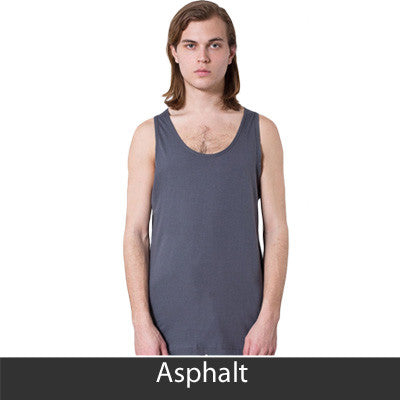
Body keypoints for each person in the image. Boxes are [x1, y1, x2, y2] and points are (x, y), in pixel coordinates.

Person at [123, 0, 288, 356]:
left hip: (245, 325)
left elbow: (276, 229)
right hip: (166, 326)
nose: (202, 57)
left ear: (231, 52)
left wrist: (269, 319)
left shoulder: (263, 132)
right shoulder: (148, 135)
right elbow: (136, 233)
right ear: (174, 52)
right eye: (190, 45)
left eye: (214, 44)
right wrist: (141, 324)